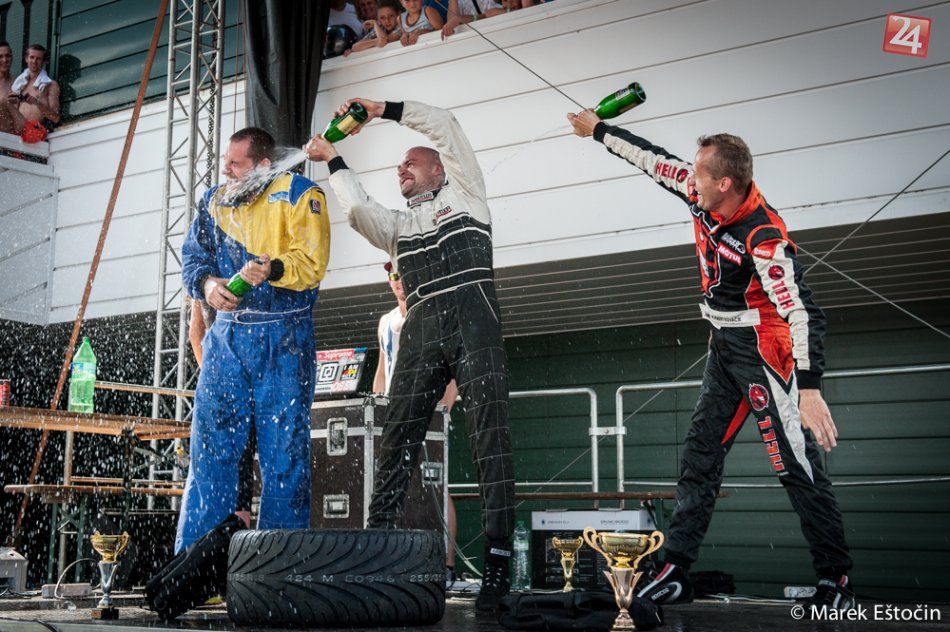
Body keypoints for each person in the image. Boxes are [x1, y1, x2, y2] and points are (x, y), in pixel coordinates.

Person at [566, 110, 855, 611]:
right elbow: (651, 159)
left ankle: (837, 578)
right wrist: (598, 130)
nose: (690, 179)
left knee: (795, 464)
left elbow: (803, 312)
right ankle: (676, 568)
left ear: (725, 184)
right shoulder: (698, 191)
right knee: (699, 454)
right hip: (722, 344)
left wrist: (810, 388)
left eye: (699, 174)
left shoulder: (764, 236)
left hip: (764, 348)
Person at [306, 98, 516, 611]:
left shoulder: (467, 192)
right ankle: (377, 544)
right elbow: (358, 210)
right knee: (397, 434)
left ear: (439, 169)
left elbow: (445, 124)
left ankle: (498, 557)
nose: (401, 169)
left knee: (489, 434)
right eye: (398, 166)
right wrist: (334, 158)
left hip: (473, 313)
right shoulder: (397, 227)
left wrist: (383, 109)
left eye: (411, 162)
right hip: (422, 324)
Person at [176, 127, 330, 552]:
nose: (226, 170)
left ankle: (278, 566)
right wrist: (207, 285)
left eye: (236, 164)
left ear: (263, 166)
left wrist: (273, 270)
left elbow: (312, 263)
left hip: (284, 336)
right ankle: (198, 562)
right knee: (210, 451)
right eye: (225, 161)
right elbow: (193, 259)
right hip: (227, 335)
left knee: (284, 454)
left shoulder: (301, 193)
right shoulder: (214, 200)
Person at [374, 262, 460, 580]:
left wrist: (441, 411)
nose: (399, 281)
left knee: (436, 485)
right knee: (394, 482)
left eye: (404, 274)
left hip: (428, 412)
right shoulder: (386, 321)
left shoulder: (435, 314)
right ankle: (392, 562)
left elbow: (453, 370)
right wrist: (379, 408)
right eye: (394, 275)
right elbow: (382, 371)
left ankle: (447, 565)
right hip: (395, 416)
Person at [187, 299, 257, 528]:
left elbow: (195, 334)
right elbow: (195, 334)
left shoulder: (202, 286)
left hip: (222, 382)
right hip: (246, 382)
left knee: (221, 466)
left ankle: (221, 533)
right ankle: (236, 533)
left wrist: (211, 374)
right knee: (242, 465)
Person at [2, 44, 60, 142]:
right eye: (32, 57)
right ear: (26, 59)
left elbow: (56, 118)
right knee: (3, 102)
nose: (34, 61)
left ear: (43, 61)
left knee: (3, 101)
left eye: (38, 59)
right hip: (16, 131)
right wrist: (13, 102)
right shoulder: (19, 83)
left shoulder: (50, 85)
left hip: (33, 130)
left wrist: (36, 103)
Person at [440, 0, 505, 38]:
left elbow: (490, 14)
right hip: (472, 39)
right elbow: (451, 24)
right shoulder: (459, 2)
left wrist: (460, 19)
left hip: (497, 32)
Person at [0, 42, 15, 134]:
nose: (4, 60)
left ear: (12, 58)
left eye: (7, 56)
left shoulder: (18, 83)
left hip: (11, 138)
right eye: (0, 56)